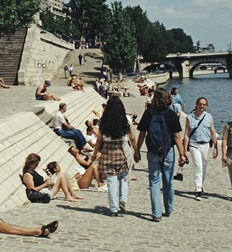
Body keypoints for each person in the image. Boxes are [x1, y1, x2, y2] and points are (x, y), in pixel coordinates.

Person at [135, 88, 187, 222]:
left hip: (152, 151)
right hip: (167, 151)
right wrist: (182, 154)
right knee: (168, 180)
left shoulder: (148, 113)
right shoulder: (170, 114)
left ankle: (156, 214)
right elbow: (176, 136)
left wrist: (137, 150)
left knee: (154, 181)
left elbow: (142, 133)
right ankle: (168, 208)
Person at [91, 96, 137, 216]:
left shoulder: (103, 121)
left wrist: (94, 153)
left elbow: (100, 140)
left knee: (111, 180)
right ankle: (123, 200)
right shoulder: (126, 119)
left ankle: (113, 209)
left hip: (108, 150)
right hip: (122, 148)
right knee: (124, 176)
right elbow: (132, 137)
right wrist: (136, 151)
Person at [183, 97, 219, 201]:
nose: (202, 106)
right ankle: (198, 190)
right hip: (194, 144)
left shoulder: (209, 117)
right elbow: (186, 134)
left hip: (205, 144)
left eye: (204, 104)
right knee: (198, 166)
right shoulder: (189, 117)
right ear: (196, 104)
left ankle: (201, 184)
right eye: (200, 104)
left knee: (204, 166)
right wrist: (185, 150)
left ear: (206, 106)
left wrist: (215, 148)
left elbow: (213, 132)